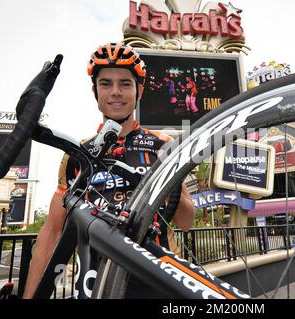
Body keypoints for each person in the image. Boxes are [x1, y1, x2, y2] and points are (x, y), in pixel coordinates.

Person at [22, 42, 195, 298]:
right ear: (95, 90)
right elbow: (52, 231)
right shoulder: (76, 153)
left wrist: (167, 174)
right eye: (106, 84)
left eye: (125, 83)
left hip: (157, 280)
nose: (116, 92)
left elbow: (186, 222)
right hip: (95, 283)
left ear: (139, 90)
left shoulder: (164, 145)